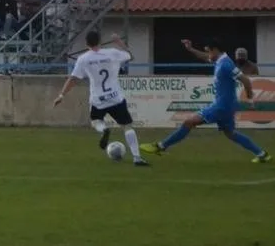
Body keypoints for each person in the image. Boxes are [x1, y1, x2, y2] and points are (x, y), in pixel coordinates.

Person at [141, 39, 272, 163]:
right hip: (227, 106)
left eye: (209, 51)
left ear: (215, 50)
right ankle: (262, 154)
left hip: (221, 106)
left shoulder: (226, 64)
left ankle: (161, 146)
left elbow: (246, 80)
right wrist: (190, 49)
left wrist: (250, 99)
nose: (208, 54)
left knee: (189, 122)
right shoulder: (219, 60)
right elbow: (205, 57)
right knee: (231, 134)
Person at [52, 31, 148, 166]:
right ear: (100, 41)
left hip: (98, 99)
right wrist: (119, 42)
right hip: (115, 97)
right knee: (127, 126)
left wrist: (61, 95)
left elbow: (73, 79)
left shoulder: (83, 59)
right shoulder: (112, 53)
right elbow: (130, 56)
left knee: (96, 121)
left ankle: (104, 130)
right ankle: (137, 158)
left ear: (86, 43)